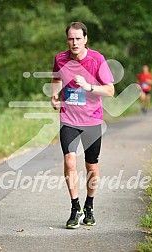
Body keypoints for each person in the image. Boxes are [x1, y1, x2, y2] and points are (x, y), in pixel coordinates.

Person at [51, 22, 114, 229]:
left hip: (92, 119)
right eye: (71, 38)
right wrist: (54, 95)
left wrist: (89, 86)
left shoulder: (97, 59)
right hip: (68, 117)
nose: (74, 42)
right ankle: (75, 207)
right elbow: (57, 78)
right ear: (67, 39)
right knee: (69, 160)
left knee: (91, 166)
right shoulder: (60, 58)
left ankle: (89, 205)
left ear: (85, 39)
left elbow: (110, 90)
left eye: (78, 38)